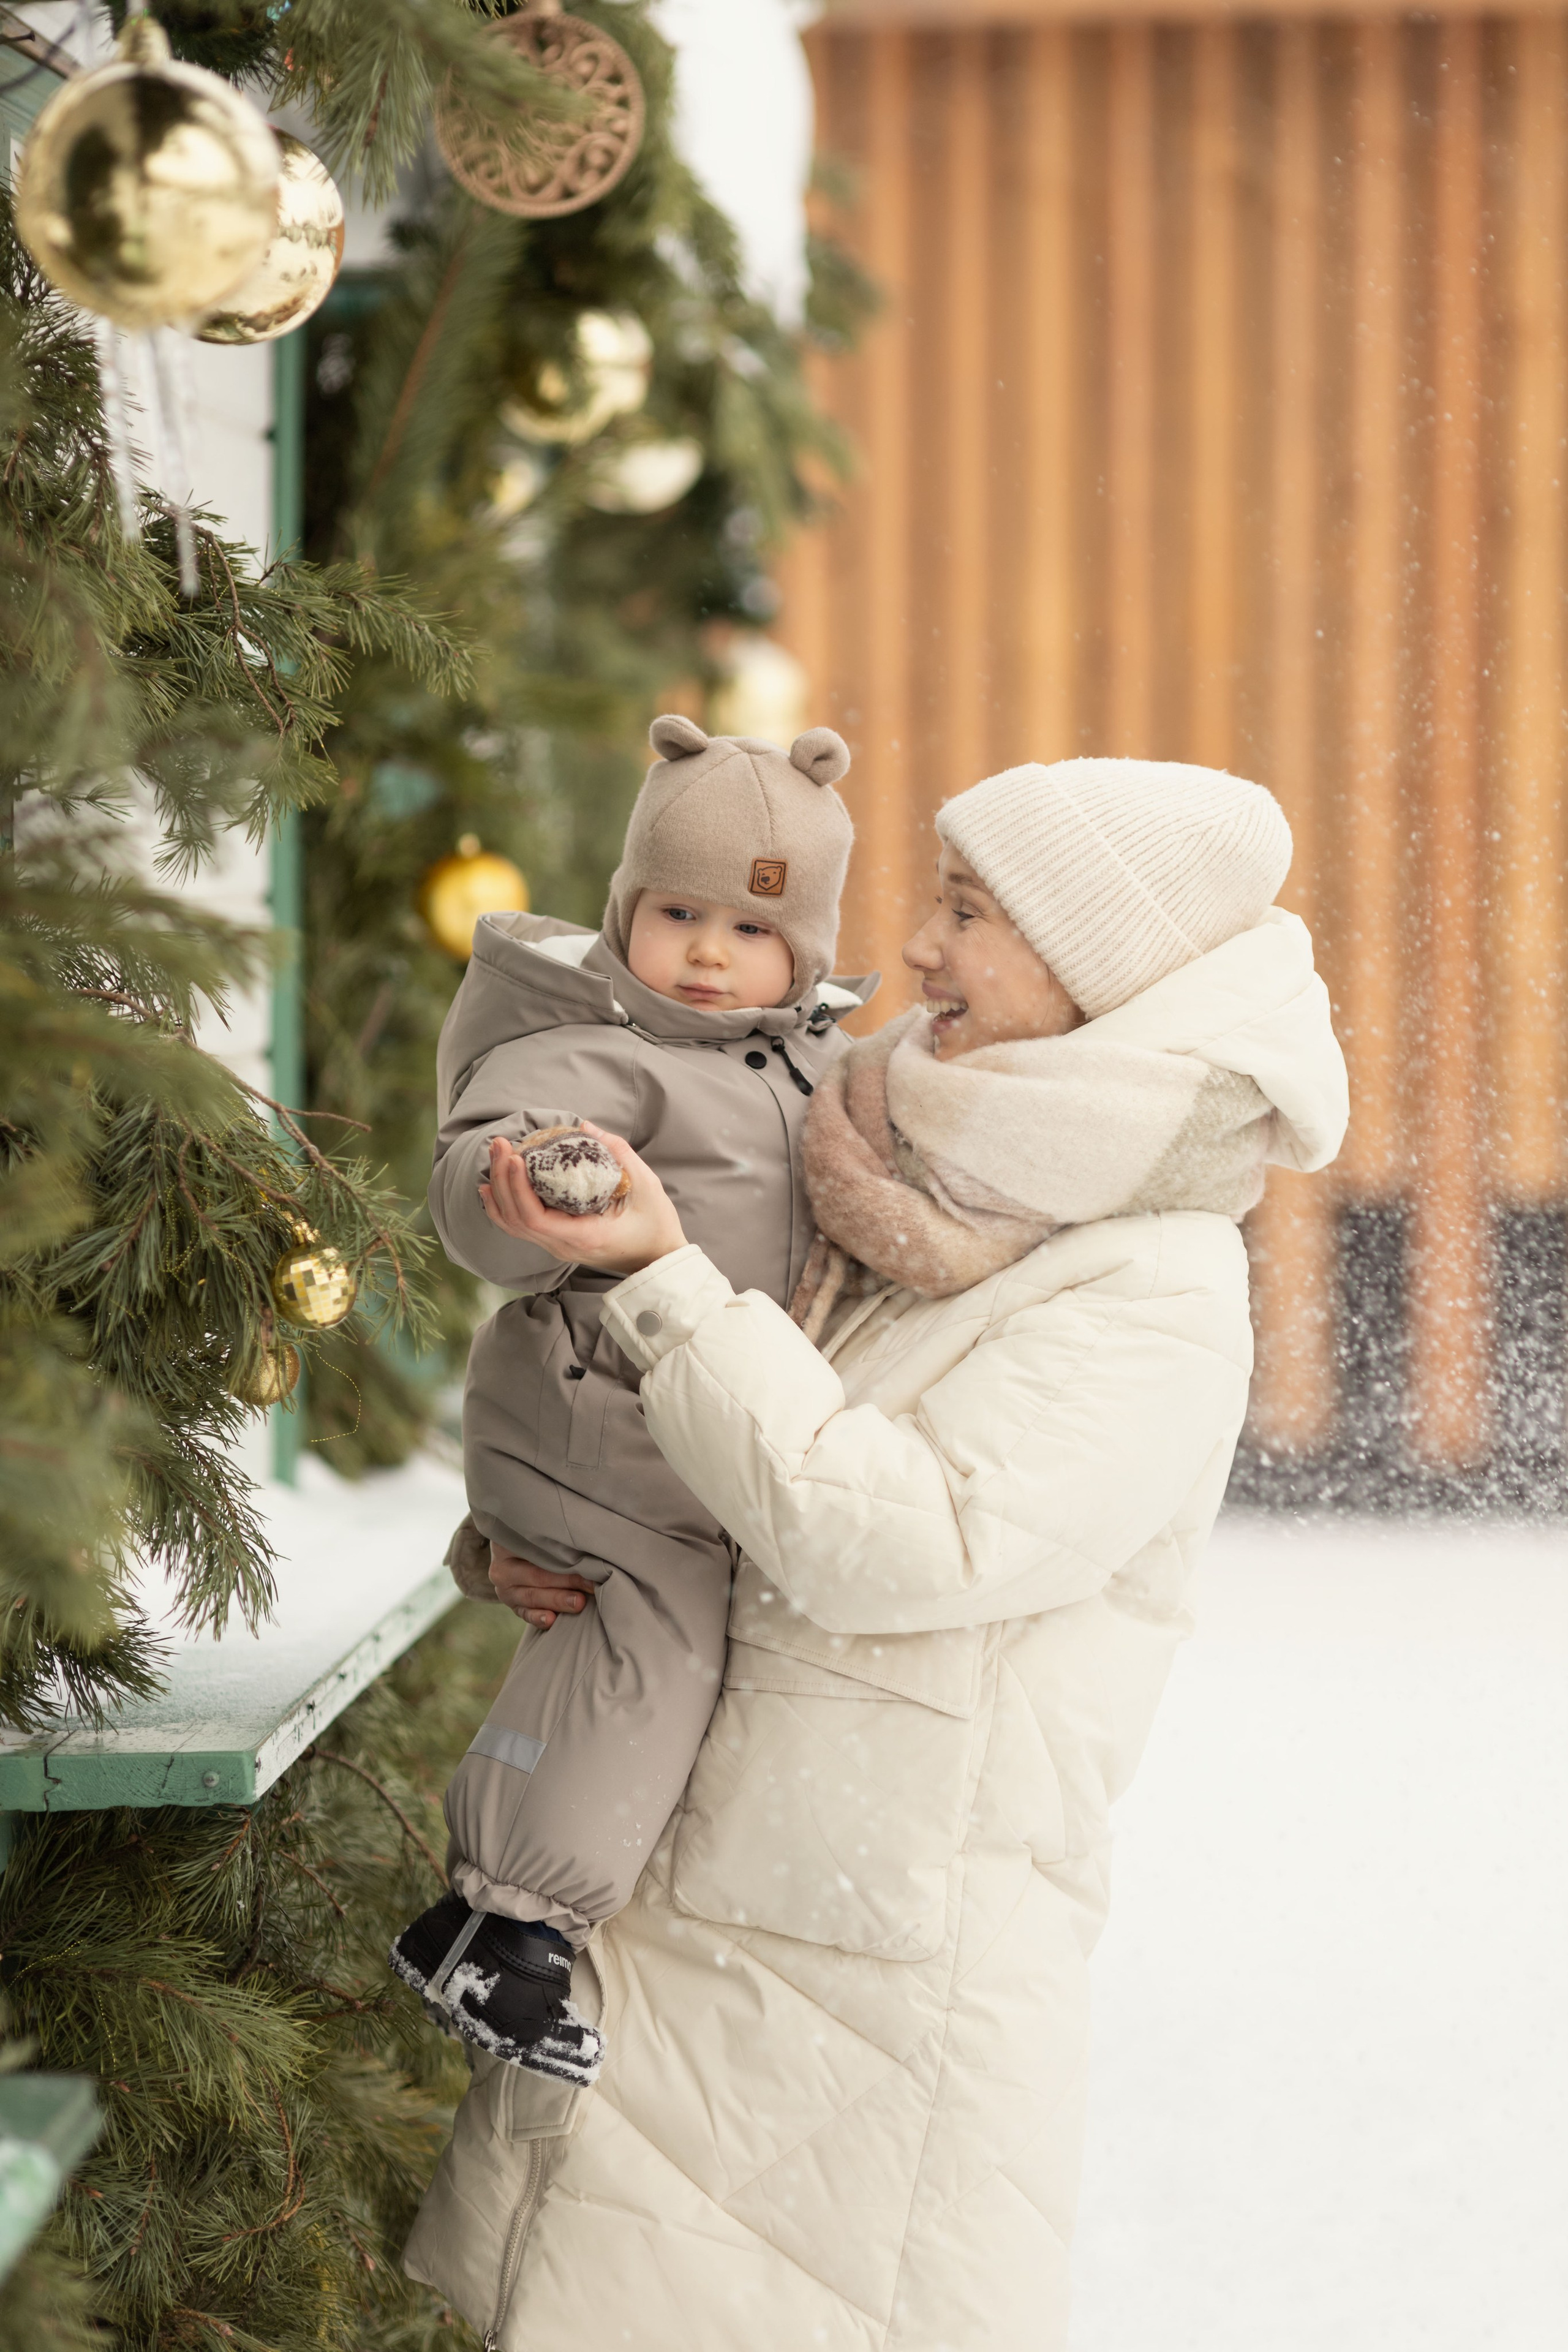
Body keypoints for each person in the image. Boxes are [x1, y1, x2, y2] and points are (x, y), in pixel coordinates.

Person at [404, 756, 1349, 2351]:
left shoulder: (1153, 1289)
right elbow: (721, 1469)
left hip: (862, 2023)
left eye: (969, 915)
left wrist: (665, 1283)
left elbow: (880, 1536)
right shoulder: (900, 1156)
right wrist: (545, 1534)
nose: (916, 950)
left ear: (1091, 968)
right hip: (707, 1927)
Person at [388, 714, 873, 2086]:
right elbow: (484, 1172)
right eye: (677, 913)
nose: (711, 954)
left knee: (637, 1646)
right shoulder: (594, 1054)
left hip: (677, 1430)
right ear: (623, 913)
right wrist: (539, 1185)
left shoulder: (801, 1069)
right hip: (590, 1420)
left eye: (754, 931)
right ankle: (500, 1927)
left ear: (808, 955)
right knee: (658, 1643)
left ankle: (500, 1915)